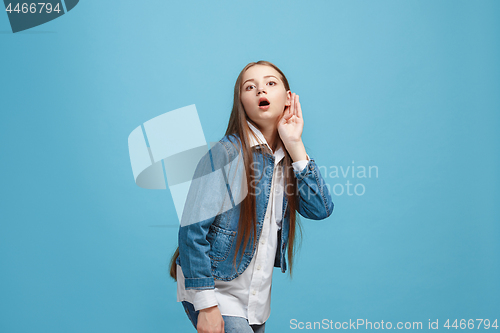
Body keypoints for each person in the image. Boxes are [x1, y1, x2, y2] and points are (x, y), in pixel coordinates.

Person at [168, 60, 334, 333]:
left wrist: (295, 144)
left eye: (270, 83)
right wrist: (207, 306)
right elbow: (191, 231)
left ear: (288, 98)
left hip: (255, 299)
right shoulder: (225, 154)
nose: (260, 91)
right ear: (241, 101)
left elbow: (320, 209)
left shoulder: (287, 161)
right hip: (214, 288)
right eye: (250, 87)